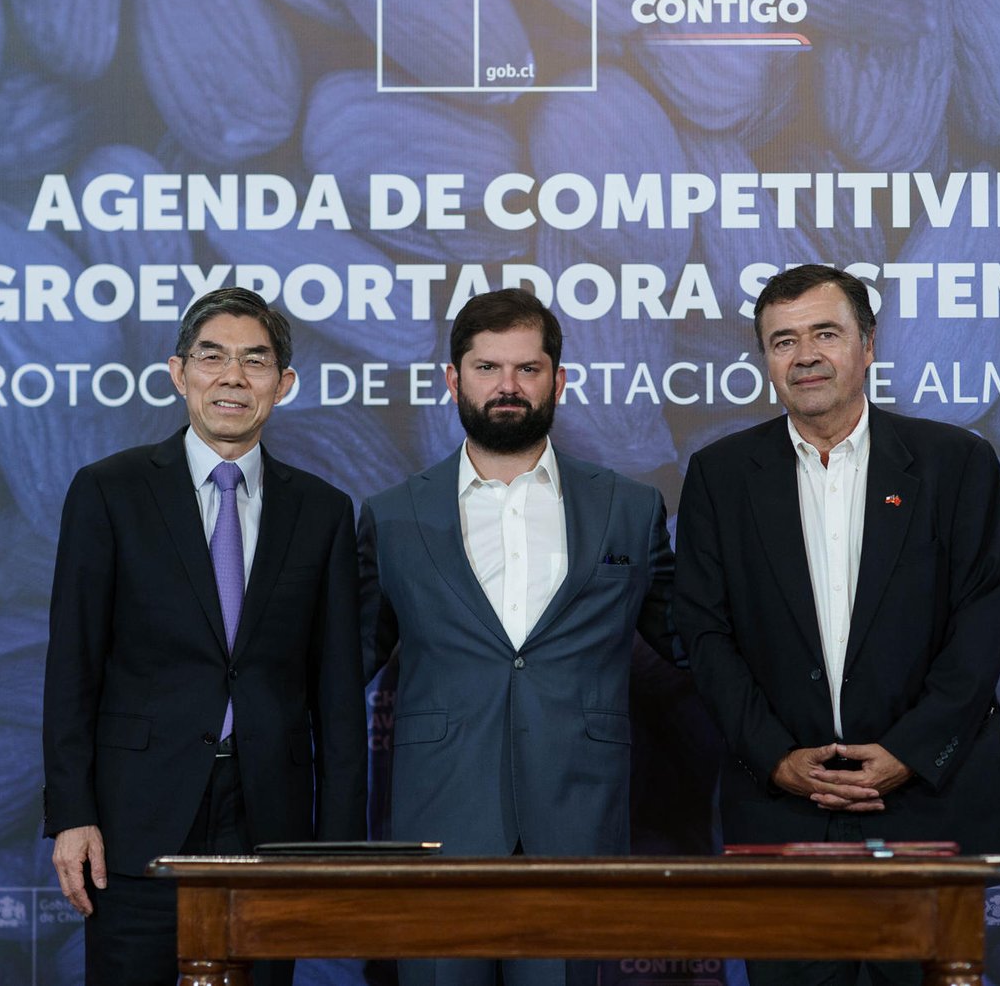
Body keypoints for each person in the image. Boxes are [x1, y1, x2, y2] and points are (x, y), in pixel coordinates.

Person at [673, 264, 1000, 986]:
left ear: (867, 345)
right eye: (783, 341)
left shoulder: (956, 464)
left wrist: (907, 752)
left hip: (925, 807)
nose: (805, 356)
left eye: (825, 334)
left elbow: (981, 626)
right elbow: (704, 633)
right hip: (782, 815)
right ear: (766, 359)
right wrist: (775, 758)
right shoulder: (720, 475)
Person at [42, 287, 367, 985]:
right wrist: (71, 813)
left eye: (255, 361)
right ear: (178, 372)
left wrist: (336, 847)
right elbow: (72, 665)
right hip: (136, 818)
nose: (232, 378)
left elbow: (339, 695)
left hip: (269, 822)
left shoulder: (323, 511)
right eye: (212, 357)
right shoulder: (110, 491)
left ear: (283, 384)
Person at [358, 287, 678, 986]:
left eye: (528, 369)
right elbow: (343, 662)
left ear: (558, 381)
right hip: (441, 817)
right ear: (453, 380)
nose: (508, 386)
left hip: (577, 815)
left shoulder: (629, 509)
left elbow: (693, 647)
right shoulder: (391, 516)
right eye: (487, 368)